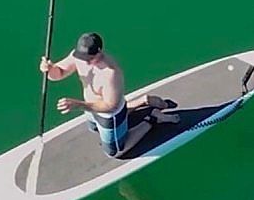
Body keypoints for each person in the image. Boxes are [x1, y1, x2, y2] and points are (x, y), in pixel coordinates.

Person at [39, 32, 179, 157]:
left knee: (115, 152)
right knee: (94, 128)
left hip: (109, 114)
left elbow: (109, 106)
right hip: (90, 108)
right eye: (83, 57)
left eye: (90, 58)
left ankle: (153, 118)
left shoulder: (110, 73)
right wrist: (49, 70)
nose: (86, 61)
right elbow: (60, 73)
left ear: (99, 52)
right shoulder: (78, 57)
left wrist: (78, 105)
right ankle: (142, 101)